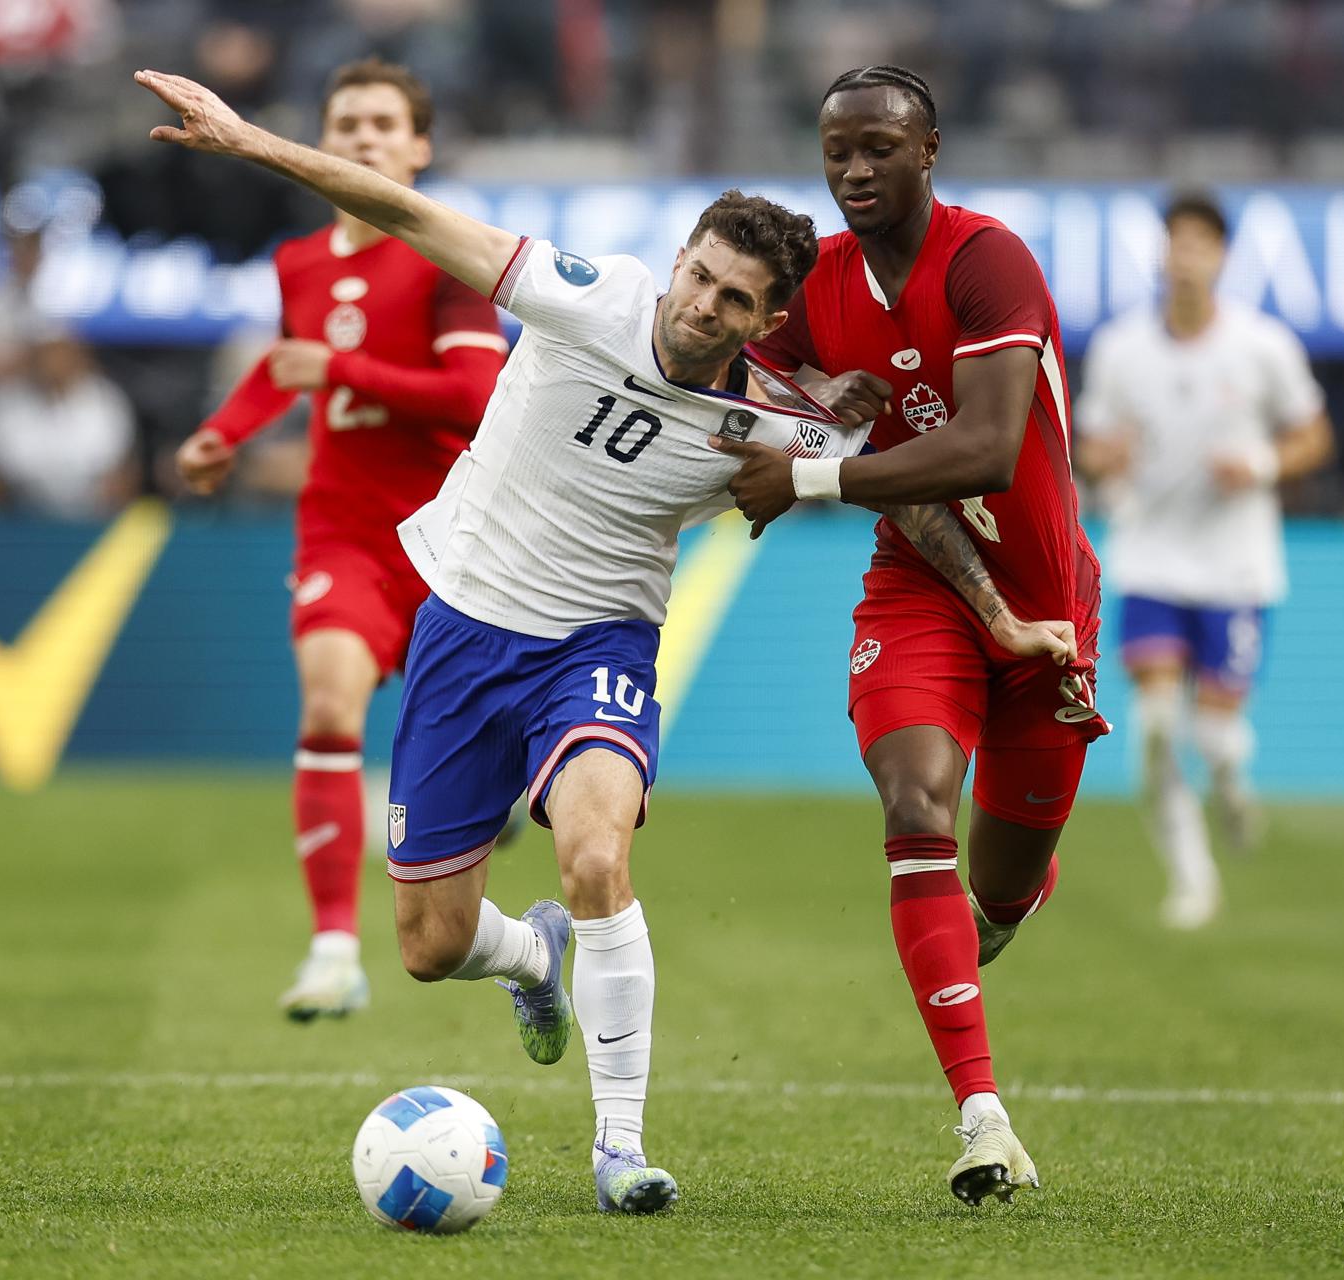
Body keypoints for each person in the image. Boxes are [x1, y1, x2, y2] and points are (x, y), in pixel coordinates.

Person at [139, 65, 1012, 1216]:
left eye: (738, 300)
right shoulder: (582, 293)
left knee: (597, 855)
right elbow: (408, 211)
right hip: (462, 622)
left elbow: (901, 496)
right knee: (431, 942)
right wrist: (252, 141)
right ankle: (532, 956)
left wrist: (1002, 616)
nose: (705, 306)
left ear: (768, 320)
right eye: (702, 275)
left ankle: (621, 1148)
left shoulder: (766, 420)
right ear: (681, 257)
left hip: (597, 645)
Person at [719, 64, 1105, 1206]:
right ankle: (983, 1119)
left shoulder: (988, 262)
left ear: (929, 151)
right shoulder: (817, 289)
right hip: (920, 584)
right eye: (838, 148)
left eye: (880, 147)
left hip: (1049, 610)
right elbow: (767, 395)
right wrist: (788, 404)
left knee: (995, 890)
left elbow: (987, 447)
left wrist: (815, 469)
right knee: (913, 807)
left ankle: (1013, 896)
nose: (855, 168)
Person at [173, 59, 509, 1023]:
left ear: (419, 146)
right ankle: (331, 949)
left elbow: (478, 396)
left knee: (493, 764)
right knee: (327, 703)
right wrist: (221, 435)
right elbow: (290, 367)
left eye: (380, 124)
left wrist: (347, 370)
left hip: (454, 539)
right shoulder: (300, 263)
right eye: (345, 123)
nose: (361, 138)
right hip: (344, 528)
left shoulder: (451, 255)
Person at [1076, 191, 1332, 929]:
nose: (1183, 257)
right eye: (1173, 242)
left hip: (1237, 566)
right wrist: (1105, 457)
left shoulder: (1262, 346)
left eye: (1198, 244)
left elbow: (1314, 436)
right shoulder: (1123, 349)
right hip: (1152, 558)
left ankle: (1231, 783)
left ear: (1220, 257)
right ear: (1159, 254)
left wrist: (1260, 462)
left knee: (1215, 737)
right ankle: (1193, 879)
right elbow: (1091, 445)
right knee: (1155, 726)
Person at [0, 328, 137, 520]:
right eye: (45, 353)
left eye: (60, 352)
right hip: (16, 519)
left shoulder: (108, 402)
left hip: (91, 520)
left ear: (79, 355)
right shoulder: (2, 403)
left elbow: (121, 476)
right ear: (31, 356)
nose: (53, 362)